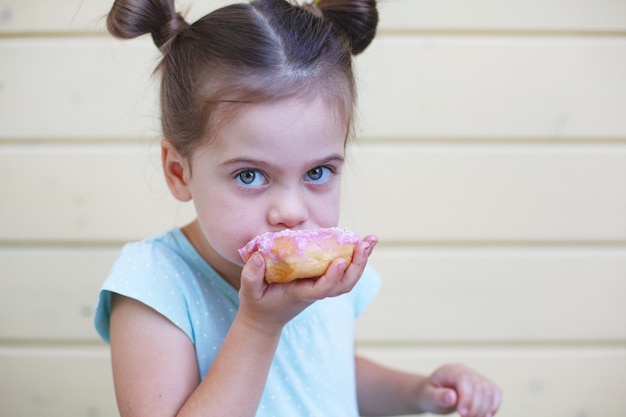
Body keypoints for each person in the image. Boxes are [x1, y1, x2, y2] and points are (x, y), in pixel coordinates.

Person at [94, 0, 502, 416]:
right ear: (179, 173)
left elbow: (327, 377)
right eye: (250, 175)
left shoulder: (326, 273)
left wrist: (418, 392)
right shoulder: (154, 285)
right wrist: (259, 325)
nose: (291, 212)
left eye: (318, 172)